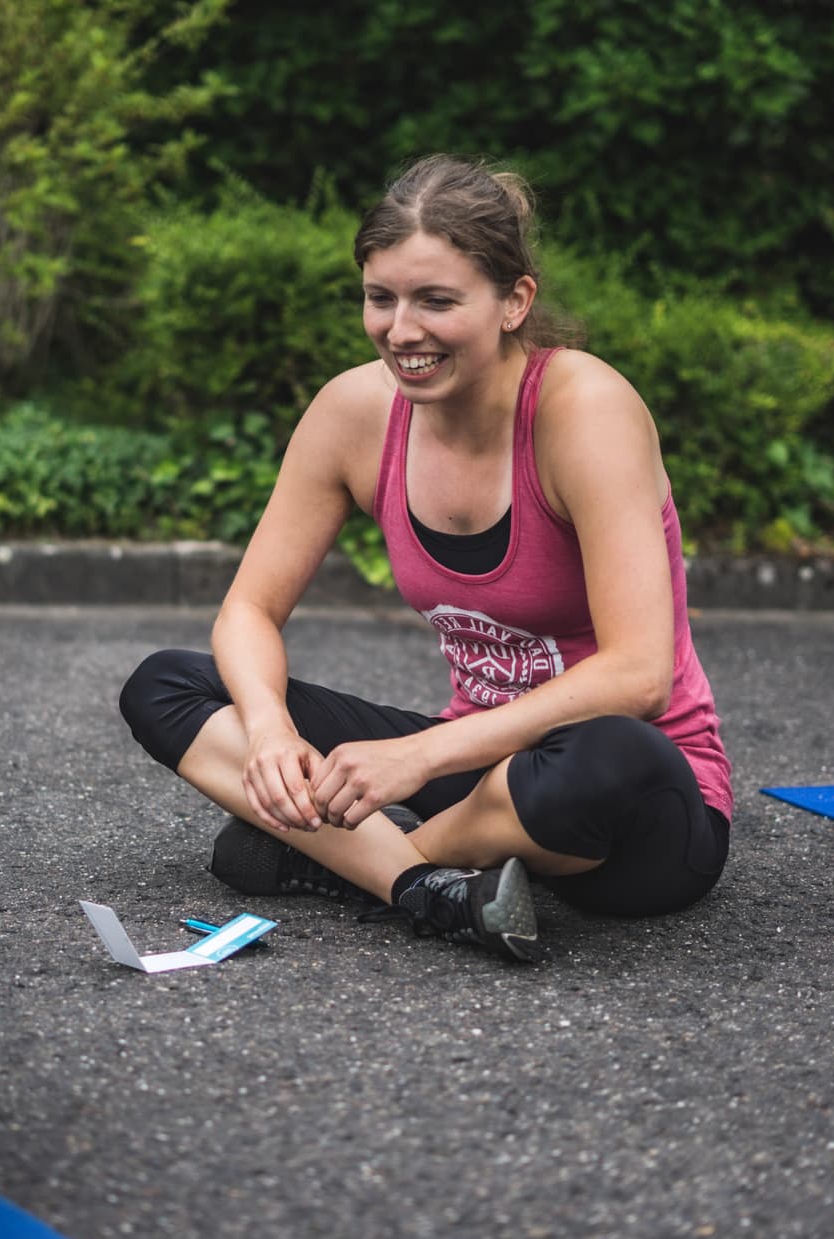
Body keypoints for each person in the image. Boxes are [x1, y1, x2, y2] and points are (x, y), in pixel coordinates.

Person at [120, 155, 733, 962]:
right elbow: (249, 612)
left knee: (605, 750)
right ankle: (429, 888)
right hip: (476, 771)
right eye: (382, 298)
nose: (401, 330)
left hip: (631, 812)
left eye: (436, 301)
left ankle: (367, 866)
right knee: (169, 683)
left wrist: (416, 756)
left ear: (515, 301)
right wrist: (269, 733)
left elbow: (639, 676)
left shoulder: (584, 409)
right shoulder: (354, 412)